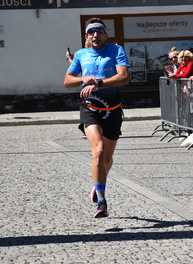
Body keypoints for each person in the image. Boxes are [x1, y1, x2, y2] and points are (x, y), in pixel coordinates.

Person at [64, 18, 129, 218]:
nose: (95, 35)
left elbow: (124, 77)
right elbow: (67, 81)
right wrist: (82, 79)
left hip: (113, 109)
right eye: (91, 32)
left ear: (105, 34)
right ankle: (102, 200)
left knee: (107, 159)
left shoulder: (116, 50)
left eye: (99, 31)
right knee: (98, 151)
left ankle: (97, 183)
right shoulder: (82, 54)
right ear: (86, 36)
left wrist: (99, 82)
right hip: (90, 108)